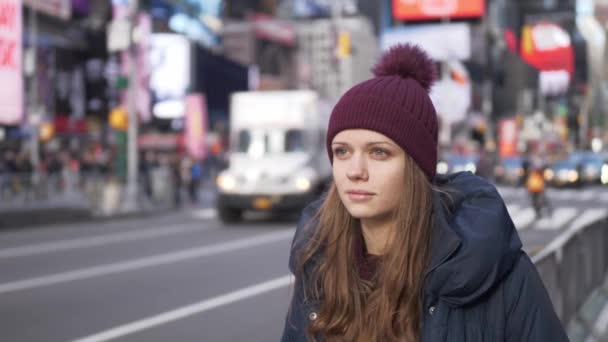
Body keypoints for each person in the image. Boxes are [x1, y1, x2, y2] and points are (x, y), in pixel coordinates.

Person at [280, 44, 567, 342]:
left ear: (417, 167)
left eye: (379, 152)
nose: (355, 170)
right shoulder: (318, 265)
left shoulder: (496, 271)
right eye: (342, 151)